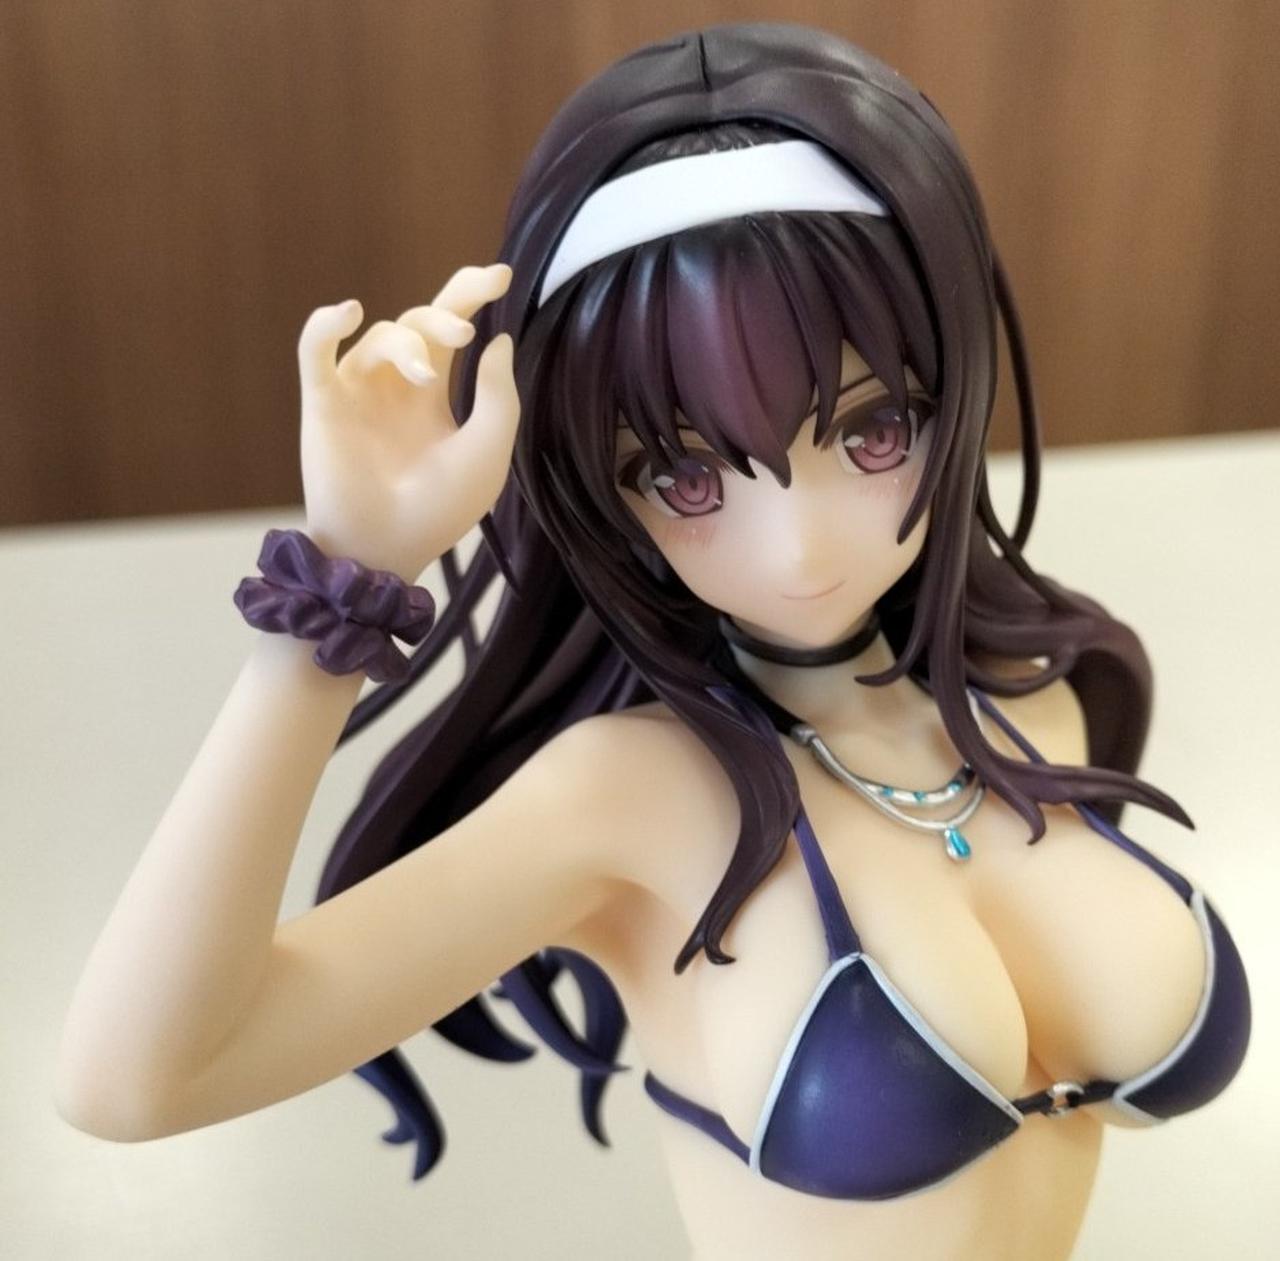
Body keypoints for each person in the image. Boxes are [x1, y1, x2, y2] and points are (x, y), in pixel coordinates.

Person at [56, 22, 1249, 1260]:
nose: (799, 550)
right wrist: (344, 584)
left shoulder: (1039, 691)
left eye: (875, 430)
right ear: (593, 487)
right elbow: (137, 1080)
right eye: (683, 475)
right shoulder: (631, 798)